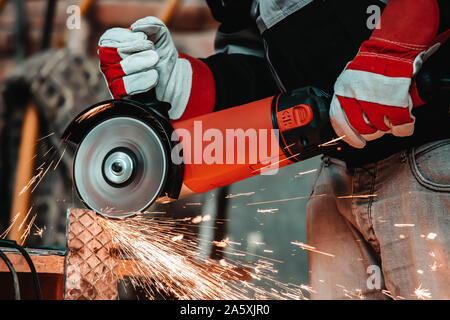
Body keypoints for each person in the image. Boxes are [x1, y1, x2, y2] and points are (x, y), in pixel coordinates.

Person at [97, 0, 449, 299]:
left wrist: (394, 49)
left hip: (431, 156)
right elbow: (265, 69)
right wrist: (188, 86)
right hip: (337, 169)